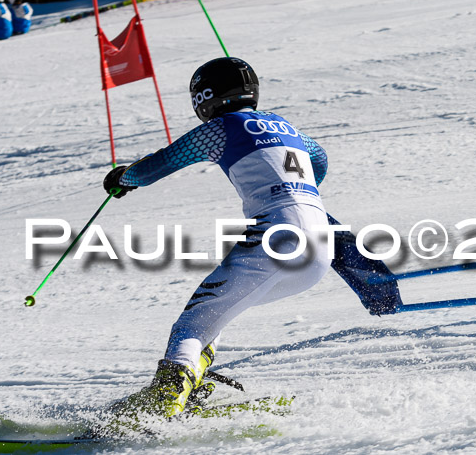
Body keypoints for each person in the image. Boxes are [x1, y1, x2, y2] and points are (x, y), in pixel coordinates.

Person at [103, 57, 331, 419]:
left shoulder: (221, 127)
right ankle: (192, 380)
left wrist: (123, 178)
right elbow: (319, 160)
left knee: (192, 323)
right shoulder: (286, 125)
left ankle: (166, 396)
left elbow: (158, 165)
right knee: (221, 310)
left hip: (276, 238)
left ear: (205, 96)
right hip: (320, 246)